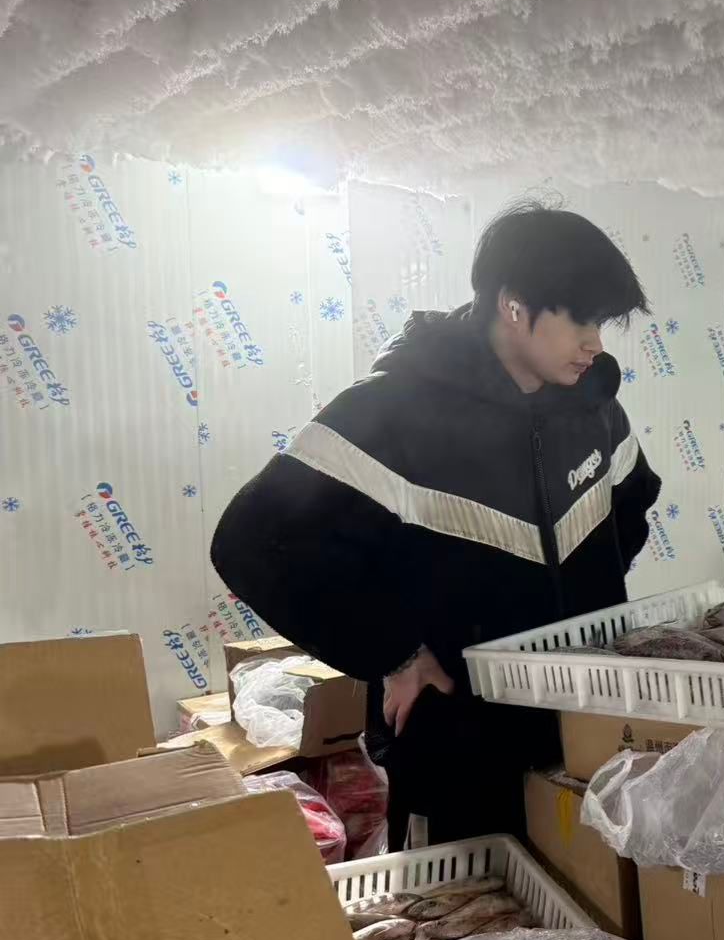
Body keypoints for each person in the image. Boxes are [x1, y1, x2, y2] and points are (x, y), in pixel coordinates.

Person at [211, 202, 661, 845]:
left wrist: (585, 603)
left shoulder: (594, 412)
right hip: (459, 750)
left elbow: (631, 507)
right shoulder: (393, 413)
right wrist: (392, 650)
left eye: (602, 323)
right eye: (580, 320)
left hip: (583, 733)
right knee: (468, 901)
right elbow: (254, 542)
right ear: (514, 305)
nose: (596, 342)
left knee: (581, 891)